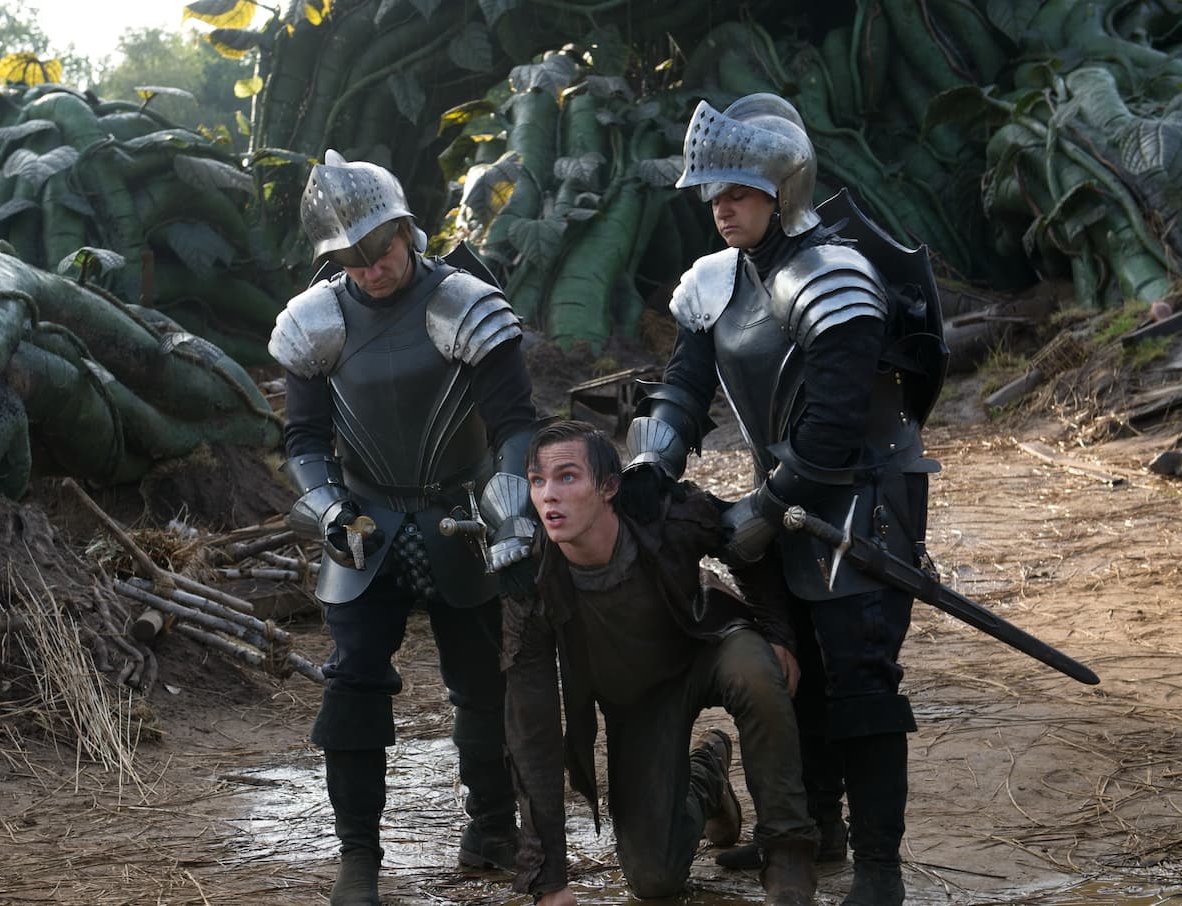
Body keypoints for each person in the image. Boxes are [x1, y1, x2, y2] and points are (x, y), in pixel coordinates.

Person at [619, 94, 946, 906]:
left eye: (738, 193)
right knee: (799, 669)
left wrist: (762, 511)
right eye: (714, 194)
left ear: (783, 189)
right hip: (790, 491)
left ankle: (879, 869)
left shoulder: (836, 275)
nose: (720, 207)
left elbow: (834, 422)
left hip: (865, 496)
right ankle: (818, 829)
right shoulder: (716, 282)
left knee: (861, 677)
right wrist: (652, 461)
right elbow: (684, 388)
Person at [268, 150, 540, 906]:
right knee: (352, 682)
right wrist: (329, 507)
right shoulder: (316, 319)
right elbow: (304, 439)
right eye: (350, 258)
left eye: (378, 248)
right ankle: (358, 856)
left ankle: (491, 827)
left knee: (481, 682)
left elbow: (516, 424)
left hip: (465, 513)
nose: (370, 268)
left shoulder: (466, 303)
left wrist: (510, 506)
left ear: (404, 230)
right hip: (366, 520)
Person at [503, 420, 820, 906]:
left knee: (758, 675)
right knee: (653, 879)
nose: (549, 495)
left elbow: (744, 536)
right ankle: (707, 777)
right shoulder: (532, 579)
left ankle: (787, 858)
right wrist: (549, 880)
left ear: (609, 487)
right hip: (638, 701)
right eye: (537, 480)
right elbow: (532, 728)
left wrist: (777, 632)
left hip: (708, 648)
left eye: (567, 477)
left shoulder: (661, 513)